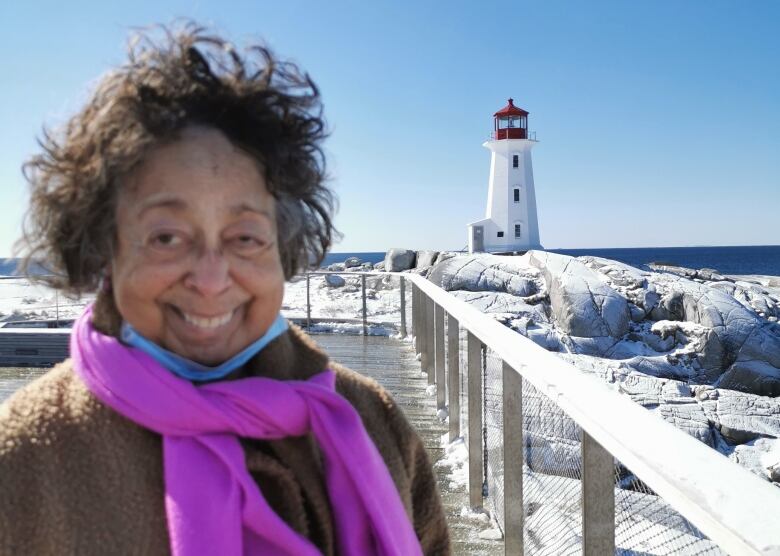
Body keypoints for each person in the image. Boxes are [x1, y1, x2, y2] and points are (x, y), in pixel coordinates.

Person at [0, 23, 449, 555]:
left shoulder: (374, 424)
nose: (211, 280)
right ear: (104, 248)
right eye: (166, 236)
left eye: (245, 237)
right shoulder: (23, 460)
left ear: (283, 248)